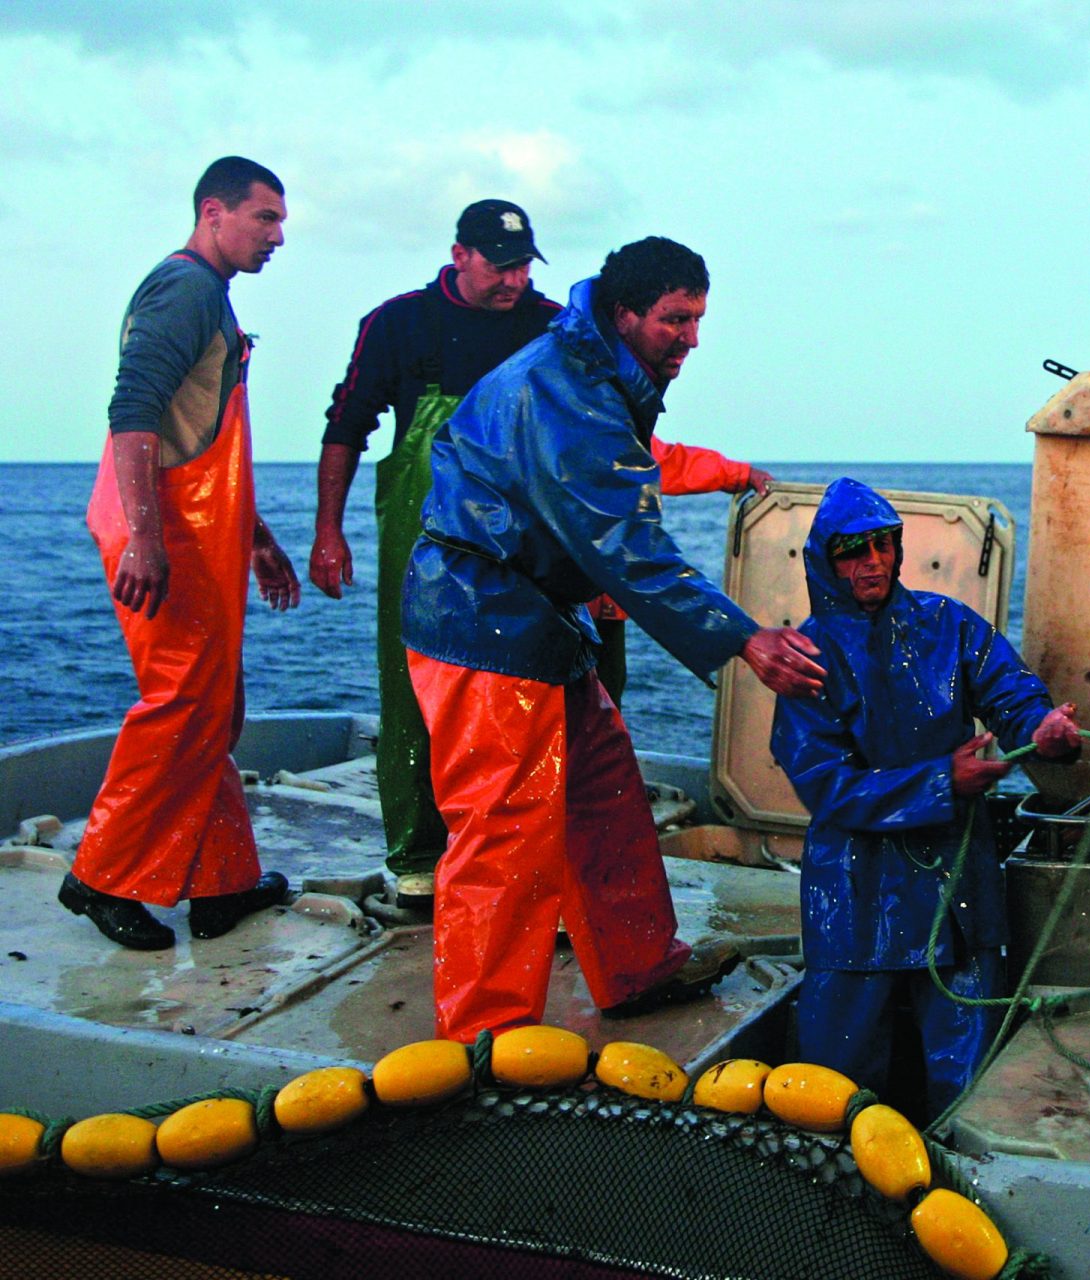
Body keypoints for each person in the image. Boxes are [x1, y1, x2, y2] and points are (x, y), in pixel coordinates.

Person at [400, 235, 825, 1043]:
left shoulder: (597, 371)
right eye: (675, 319)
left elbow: (616, 490)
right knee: (503, 833)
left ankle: (637, 965)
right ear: (626, 313)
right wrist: (745, 640)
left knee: (605, 796)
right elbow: (626, 544)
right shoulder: (564, 391)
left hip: (539, 621)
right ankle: (484, 1035)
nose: (691, 339)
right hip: (482, 624)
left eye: (698, 320)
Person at [770, 478, 1082, 1115]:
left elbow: (1011, 693)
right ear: (825, 563)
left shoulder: (949, 625)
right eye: (855, 550)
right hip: (852, 896)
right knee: (836, 1084)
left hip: (955, 890)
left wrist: (1043, 730)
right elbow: (825, 785)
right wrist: (945, 782)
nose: (875, 561)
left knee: (967, 1083)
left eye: (885, 544)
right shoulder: (806, 656)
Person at [61, 156, 301, 951]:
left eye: (280, 222)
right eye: (264, 219)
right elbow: (132, 411)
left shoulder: (213, 299)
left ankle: (222, 881)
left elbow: (203, 431)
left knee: (211, 707)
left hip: (204, 535)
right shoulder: (187, 289)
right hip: (166, 534)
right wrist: (146, 538)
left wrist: (257, 539)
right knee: (180, 705)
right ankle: (100, 876)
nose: (276, 236)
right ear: (213, 213)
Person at [310, 199, 561, 911]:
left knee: (526, 690)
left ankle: (526, 857)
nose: (513, 280)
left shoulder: (551, 329)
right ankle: (419, 863)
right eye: (499, 264)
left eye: (522, 265)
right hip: (420, 540)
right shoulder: (398, 322)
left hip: (524, 539)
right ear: (459, 255)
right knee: (413, 688)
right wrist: (328, 532)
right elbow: (347, 425)